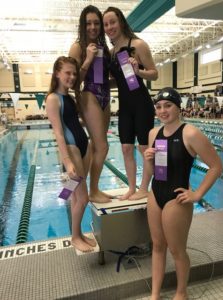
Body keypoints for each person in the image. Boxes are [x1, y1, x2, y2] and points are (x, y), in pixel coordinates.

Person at [144, 87, 223, 300]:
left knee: (177, 250)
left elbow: (216, 166)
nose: (163, 110)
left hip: (176, 198)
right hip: (155, 193)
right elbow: (152, 172)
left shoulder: (190, 133)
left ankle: (181, 292)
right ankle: (154, 294)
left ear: (178, 107)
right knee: (158, 246)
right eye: (159, 106)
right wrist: (147, 159)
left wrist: (197, 195)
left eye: (168, 105)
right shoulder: (153, 133)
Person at [103, 7, 158, 200]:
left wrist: (138, 72)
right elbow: (116, 81)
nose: (110, 27)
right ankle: (132, 188)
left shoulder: (138, 45)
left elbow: (154, 73)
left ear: (121, 22)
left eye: (113, 22)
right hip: (125, 106)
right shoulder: (110, 54)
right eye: (106, 24)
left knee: (144, 148)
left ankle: (145, 188)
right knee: (126, 148)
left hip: (142, 104)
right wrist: (95, 83)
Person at [46, 56, 96, 252]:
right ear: (57, 73)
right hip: (72, 150)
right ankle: (75, 237)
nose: (72, 77)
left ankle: (79, 233)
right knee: (83, 198)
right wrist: (67, 161)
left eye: (74, 73)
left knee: (75, 196)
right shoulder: (52, 98)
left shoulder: (70, 97)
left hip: (84, 147)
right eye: (68, 73)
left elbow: (74, 123)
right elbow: (58, 132)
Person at [69, 5, 111, 203]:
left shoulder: (104, 46)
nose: (93, 27)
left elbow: (107, 78)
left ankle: (69, 190)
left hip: (105, 97)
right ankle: (93, 190)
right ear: (82, 25)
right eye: (88, 23)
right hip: (90, 95)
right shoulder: (78, 46)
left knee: (93, 149)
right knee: (102, 147)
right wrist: (88, 59)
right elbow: (74, 81)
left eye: (96, 23)